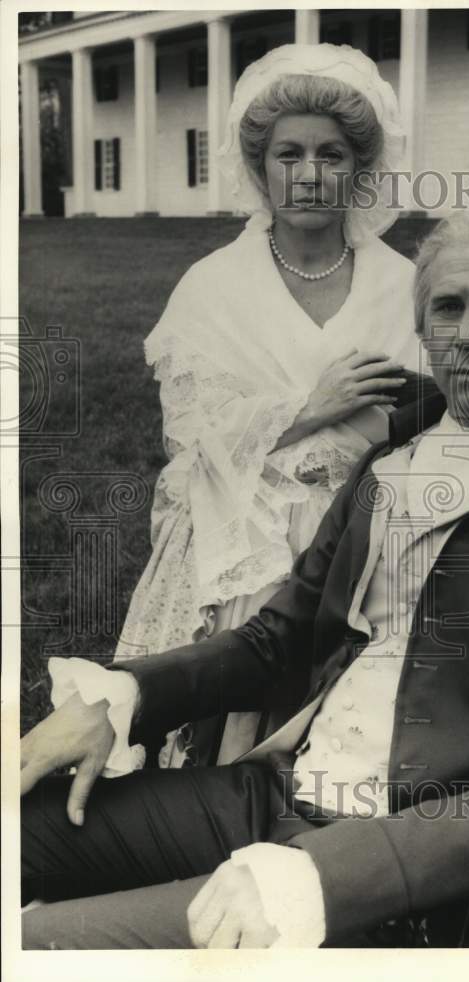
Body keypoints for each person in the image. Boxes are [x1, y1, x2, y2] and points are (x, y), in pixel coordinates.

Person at [21, 207, 469, 949]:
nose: (465, 334)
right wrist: (124, 697)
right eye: (445, 308)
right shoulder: (390, 464)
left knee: (44, 946)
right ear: (421, 330)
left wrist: (324, 877)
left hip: (405, 870)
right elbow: (277, 642)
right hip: (273, 795)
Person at [114, 42, 424, 767]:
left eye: (332, 155)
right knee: (258, 587)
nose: (310, 175)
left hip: (370, 526)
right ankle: (224, 774)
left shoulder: (402, 282)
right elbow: (191, 435)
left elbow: (437, 415)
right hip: (246, 525)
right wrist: (308, 408)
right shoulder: (213, 285)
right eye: (289, 155)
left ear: (360, 169)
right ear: (260, 168)